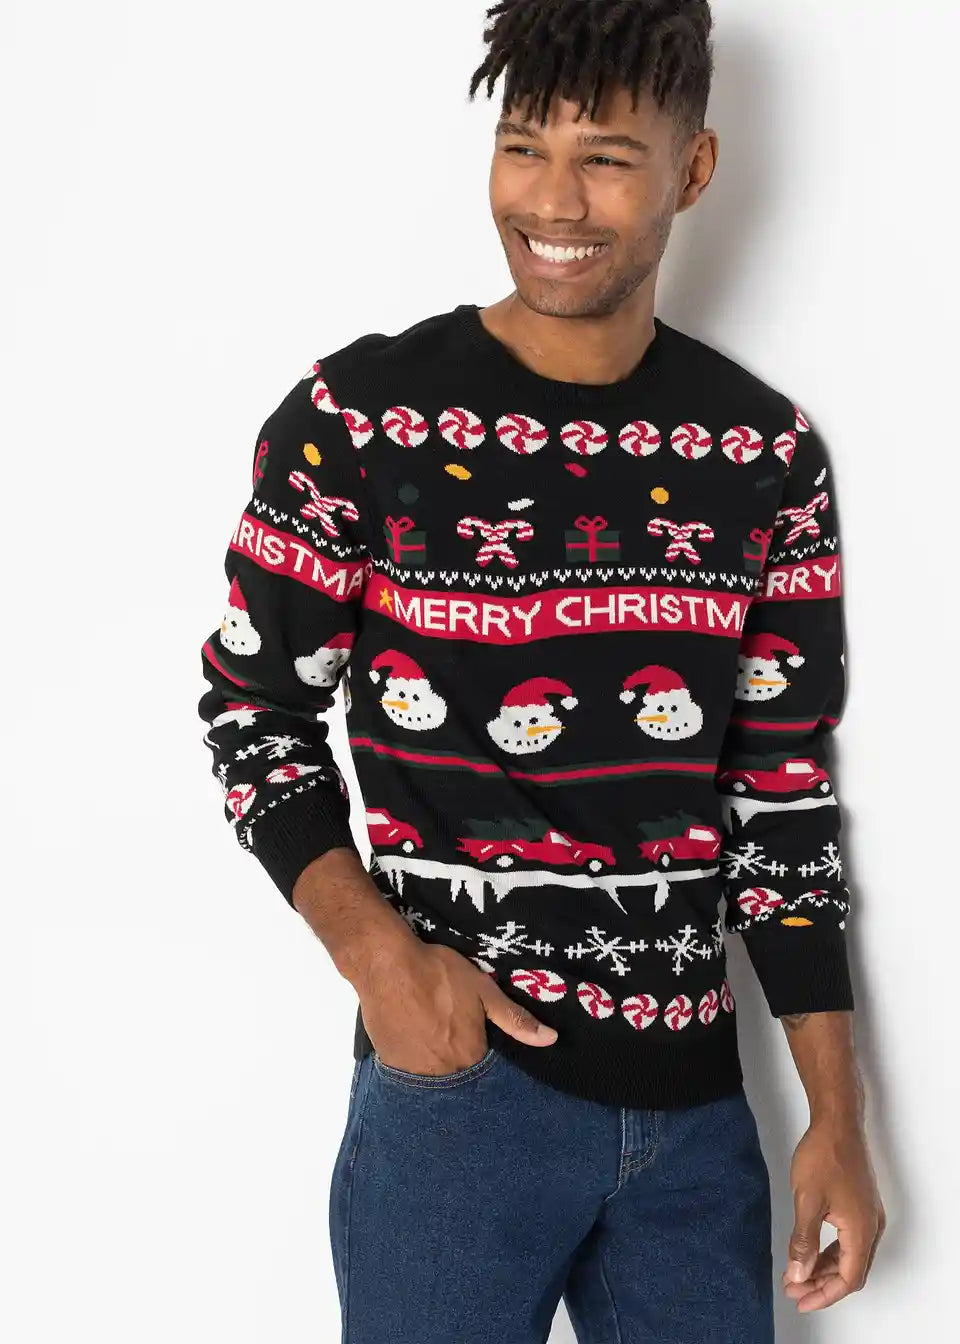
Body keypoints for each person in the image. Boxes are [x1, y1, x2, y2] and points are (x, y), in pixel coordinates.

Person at [197, 1, 885, 1338]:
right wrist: (387, 971)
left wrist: (836, 1117)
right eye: (524, 147)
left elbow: (781, 795)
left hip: (697, 1124)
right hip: (461, 1099)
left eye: (607, 160)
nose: (553, 201)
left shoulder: (761, 457)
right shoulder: (363, 418)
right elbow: (252, 709)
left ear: (694, 169)